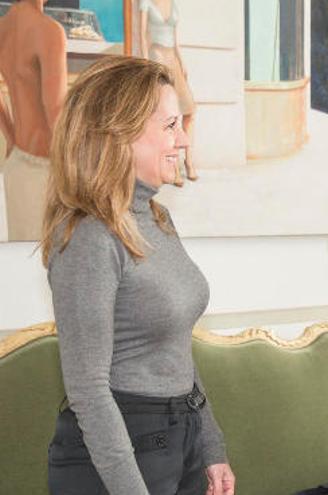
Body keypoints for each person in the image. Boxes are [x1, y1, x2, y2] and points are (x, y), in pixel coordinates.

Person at [41, 56, 234, 495]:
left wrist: (210, 446)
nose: (183, 140)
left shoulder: (156, 216)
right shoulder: (88, 236)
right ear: (121, 133)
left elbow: (175, 349)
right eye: (170, 126)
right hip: (116, 458)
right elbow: (88, 390)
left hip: (175, 437)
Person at [0, 0, 67, 240]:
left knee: (24, 266)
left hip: (16, 166)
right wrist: (77, 166)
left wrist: (10, 137)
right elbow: (55, 108)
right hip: (47, 171)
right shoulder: (49, 31)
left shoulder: (3, 27)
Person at [139, 0, 197, 184]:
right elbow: (142, 35)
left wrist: (183, 62)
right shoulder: (145, 3)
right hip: (156, 57)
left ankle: (189, 161)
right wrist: (146, 63)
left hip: (173, 56)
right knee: (169, 116)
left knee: (189, 111)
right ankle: (175, 168)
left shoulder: (173, 4)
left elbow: (176, 39)